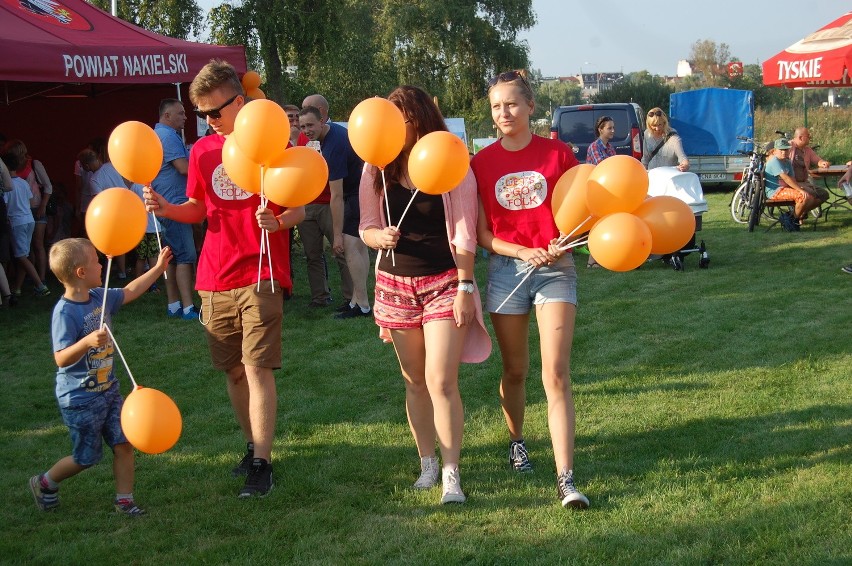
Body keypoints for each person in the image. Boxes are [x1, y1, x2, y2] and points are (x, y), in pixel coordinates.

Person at [143, 59, 305, 499]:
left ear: (239, 101)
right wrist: (166, 207)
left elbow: (300, 207)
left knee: (256, 368)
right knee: (233, 371)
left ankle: (263, 463)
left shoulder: (275, 143)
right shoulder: (201, 152)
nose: (209, 122)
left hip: (262, 271)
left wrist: (280, 221)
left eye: (215, 112)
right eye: (201, 115)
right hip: (214, 277)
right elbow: (199, 207)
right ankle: (251, 445)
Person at [360, 85, 491, 504]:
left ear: (419, 120)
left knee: (441, 380)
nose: (395, 130)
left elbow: (465, 231)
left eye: (403, 121)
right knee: (414, 381)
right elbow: (365, 225)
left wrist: (465, 286)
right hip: (394, 285)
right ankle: (427, 463)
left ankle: (452, 472)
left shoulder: (451, 161)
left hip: (444, 282)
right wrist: (377, 235)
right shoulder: (374, 166)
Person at [471, 69, 590, 510]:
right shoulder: (481, 163)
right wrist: (521, 252)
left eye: (512, 104)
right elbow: (483, 233)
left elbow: (584, 209)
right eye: (496, 107)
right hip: (506, 271)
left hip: (556, 269)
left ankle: (566, 478)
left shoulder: (558, 154)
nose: (504, 113)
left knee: (555, 374)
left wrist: (564, 239)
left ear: (531, 107)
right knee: (515, 370)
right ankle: (517, 440)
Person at [29, 238, 172, 515]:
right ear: (81, 273)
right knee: (86, 458)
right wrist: (86, 343)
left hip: (109, 389)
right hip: (80, 398)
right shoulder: (65, 312)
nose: (100, 264)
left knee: (123, 442)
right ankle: (45, 482)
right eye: (96, 261)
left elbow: (130, 290)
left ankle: (124, 500)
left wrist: (157, 268)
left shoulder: (99, 296)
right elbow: (60, 358)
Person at [299, 105, 370, 319]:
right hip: (360, 194)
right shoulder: (331, 135)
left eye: (310, 124)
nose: (306, 130)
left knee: (350, 248)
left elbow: (336, 196)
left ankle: (363, 305)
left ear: (322, 121)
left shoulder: (333, 145)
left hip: (355, 197)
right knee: (359, 249)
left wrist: (336, 235)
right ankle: (357, 300)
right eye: (302, 126)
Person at [152, 98, 199, 320]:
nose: (185, 116)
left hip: (166, 202)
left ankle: (174, 304)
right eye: (180, 113)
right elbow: (183, 168)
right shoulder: (168, 136)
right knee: (185, 256)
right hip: (175, 204)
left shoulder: (159, 134)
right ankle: (189, 308)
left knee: (170, 256)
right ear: (167, 115)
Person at [1, 150, 50, 298]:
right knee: (24, 253)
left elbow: (5, 206)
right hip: (29, 219)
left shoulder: (7, 187)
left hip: (17, 222)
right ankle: (17, 288)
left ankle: (40, 285)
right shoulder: (23, 182)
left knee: (21, 256)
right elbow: (29, 200)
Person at [81, 148, 129, 279]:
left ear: (86, 165)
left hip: (112, 212)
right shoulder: (113, 165)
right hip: (128, 204)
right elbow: (128, 180)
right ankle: (124, 271)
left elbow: (99, 201)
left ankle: (119, 271)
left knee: (111, 243)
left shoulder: (94, 180)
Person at [764, 138, 821, 224]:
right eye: (781, 150)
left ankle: (791, 217)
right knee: (802, 197)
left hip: (785, 188)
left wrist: (802, 187)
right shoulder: (774, 161)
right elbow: (786, 178)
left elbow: (792, 179)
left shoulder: (787, 162)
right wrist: (800, 190)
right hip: (775, 191)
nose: (784, 152)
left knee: (812, 197)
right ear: (775, 151)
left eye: (786, 149)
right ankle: (793, 221)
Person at [584, 115, 616, 268]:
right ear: (600, 129)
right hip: (598, 192)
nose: (612, 131)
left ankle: (598, 258)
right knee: (598, 224)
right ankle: (592, 260)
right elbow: (604, 168)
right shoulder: (594, 147)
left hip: (609, 192)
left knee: (605, 223)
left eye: (613, 128)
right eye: (609, 128)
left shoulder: (610, 147)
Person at [789, 127, 830, 206]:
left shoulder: (807, 150)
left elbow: (818, 160)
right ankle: (797, 215)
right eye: (808, 136)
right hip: (792, 183)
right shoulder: (788, 147)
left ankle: (801, 212)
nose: (810, 137)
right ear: (801, 137)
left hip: (804, 182)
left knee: (824, 194)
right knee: (811, 194)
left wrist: (823, 163)